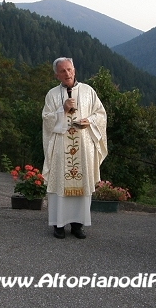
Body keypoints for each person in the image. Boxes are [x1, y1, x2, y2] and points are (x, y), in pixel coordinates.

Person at [42, 57, 107, 239]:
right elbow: (46, 120)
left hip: (83, 146)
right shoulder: (52, 95)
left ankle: (78, 225)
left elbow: (100, 114)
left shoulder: (88, 91)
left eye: (69, 69)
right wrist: (61, 110)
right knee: (59, 186)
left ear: (74, 70)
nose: (67, 74)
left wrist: (90, 121)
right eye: (62, 71)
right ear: (57, 75)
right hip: (61, 146)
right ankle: (58, 225)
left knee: (82, 184)